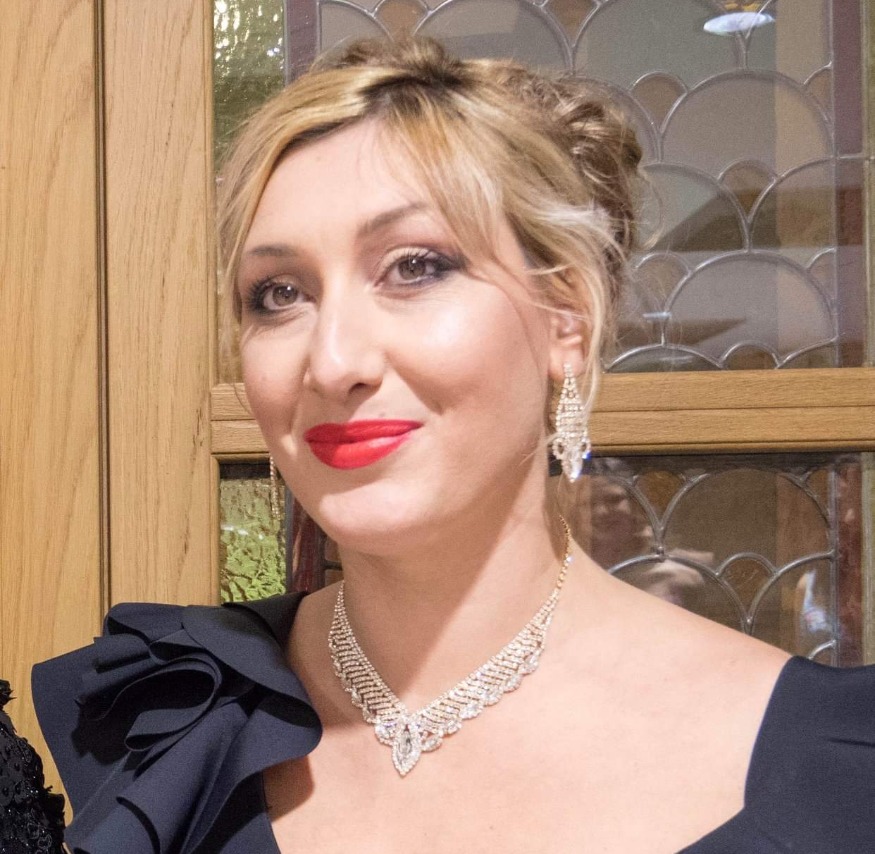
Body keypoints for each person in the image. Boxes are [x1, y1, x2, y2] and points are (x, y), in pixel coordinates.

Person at [32, 37, 875, 854]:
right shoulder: (162, 718)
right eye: (279, 293)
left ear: (566, 318)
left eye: (413, 267)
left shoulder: (834, 771)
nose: (333, 361)